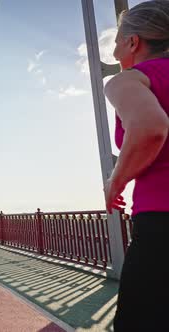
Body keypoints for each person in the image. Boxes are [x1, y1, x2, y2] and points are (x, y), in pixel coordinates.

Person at [104, 1, 169, 330]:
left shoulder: (128, 80)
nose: (114, 50)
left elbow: (150, 128)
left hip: (161, 223)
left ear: (133, 42)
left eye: (117, 40)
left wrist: (116, 181)